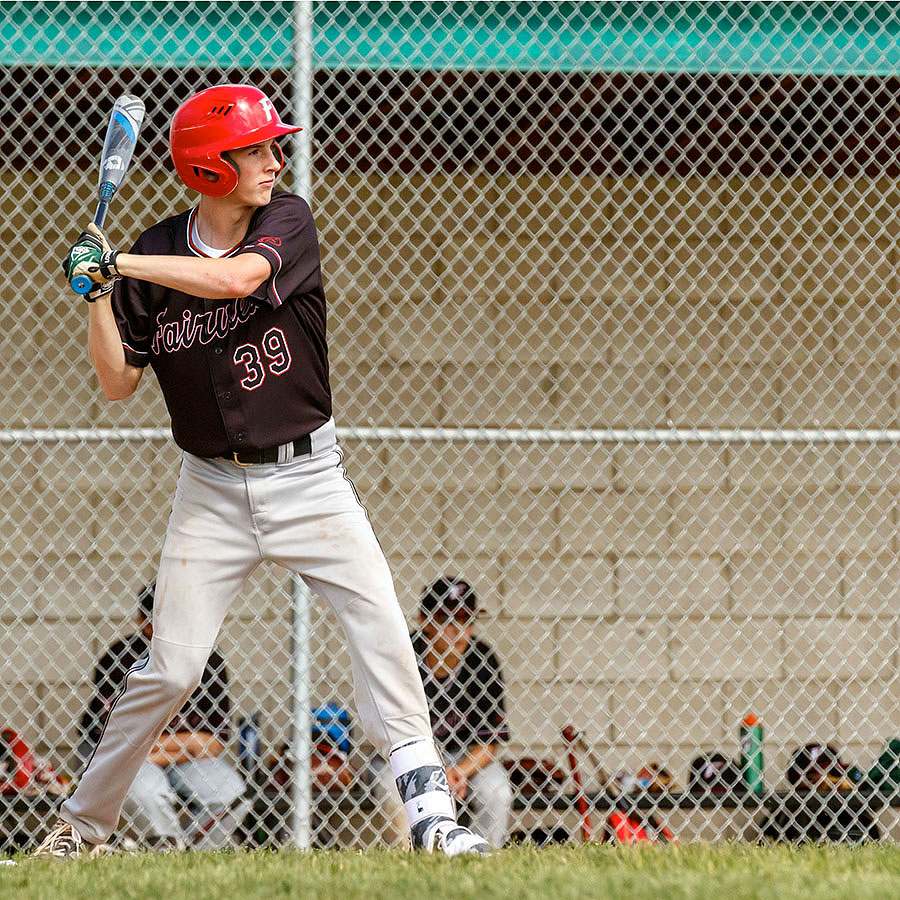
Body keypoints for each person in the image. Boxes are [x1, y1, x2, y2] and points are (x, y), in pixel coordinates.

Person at [35, 84, 488, 859]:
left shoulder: (288, 221)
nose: (276, 161)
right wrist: (98, 294)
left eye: (274, 147)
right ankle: (80, 830)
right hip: (209, 490)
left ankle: (432, 818)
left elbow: (239, 279)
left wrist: (121, 260)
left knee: (382, 628)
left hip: (310, 478)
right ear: (211, 167)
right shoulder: (148, 256)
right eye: (257, 149)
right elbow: (117, 383)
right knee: (169, 669)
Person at [76, 581, 248, 850]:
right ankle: (167, 854)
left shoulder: (209, 659)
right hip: (127, 759)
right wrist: (187, 743)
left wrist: (153, 750)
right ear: (143, 622)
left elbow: (211, 743)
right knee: (149, 791)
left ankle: (192, 855)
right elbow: (111, 744)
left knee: (231, 792)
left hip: (171, 758)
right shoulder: (120, 657)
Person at [374, 577, 513, 848]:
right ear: (424, 621)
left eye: (465, 619)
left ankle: (477, 857)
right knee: (392, 789)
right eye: (446, 619)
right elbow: (390, 734)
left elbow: (488, 744)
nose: (457, 630)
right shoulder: (404, 656)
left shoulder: (482, 659)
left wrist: (458, 772)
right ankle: (409, 861)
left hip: (463, 756)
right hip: (403, 753)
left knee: (497, 792)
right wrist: (437, 772)